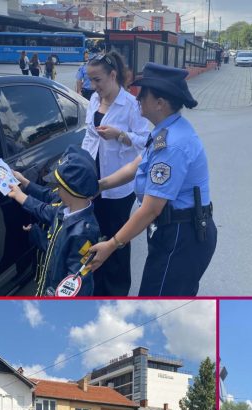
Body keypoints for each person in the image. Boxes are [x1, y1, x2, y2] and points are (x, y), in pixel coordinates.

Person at [87, 63, 217, 296]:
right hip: (173, 231)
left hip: (182, 236)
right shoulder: (164, 131)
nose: (137, 99)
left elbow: (150, 210)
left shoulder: (172, 145)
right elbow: (134, 166)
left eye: (143, 95)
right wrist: (99, 187)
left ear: (160, 103)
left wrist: (112, 244)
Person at [81, 51, 151, 296]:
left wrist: (120, 135)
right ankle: (96, 286)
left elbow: (146, 142)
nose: (93, 86)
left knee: (116, 238)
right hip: (92, 180)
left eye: (98, 80)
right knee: (92, 234)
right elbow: (88, 136)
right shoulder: (92, 100)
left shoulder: (131, 105)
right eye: (90, 80)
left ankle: (116, 291)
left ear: (113, 75)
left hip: (118, 186)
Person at [9, 146, 100, 297]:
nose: (56, 190)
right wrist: (35, 231)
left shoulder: (84, 231)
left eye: (59, 186)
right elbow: (43, 211)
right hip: (48, 287)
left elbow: (78, 279)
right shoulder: (64, 210)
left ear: (71, 191)